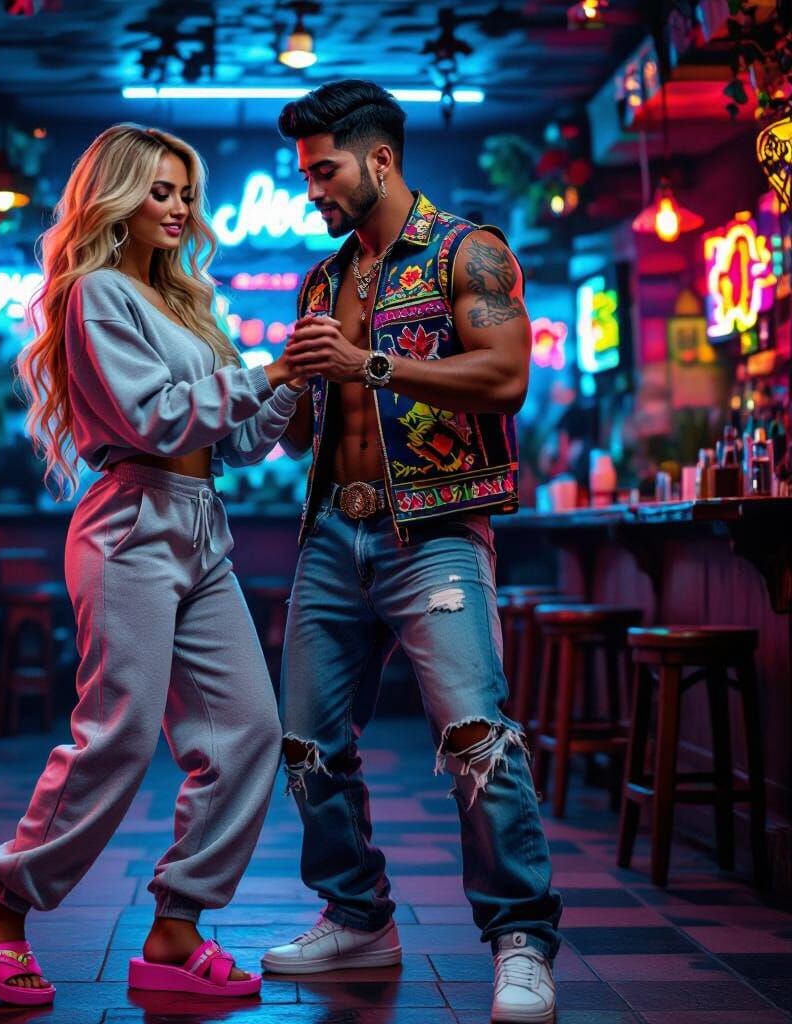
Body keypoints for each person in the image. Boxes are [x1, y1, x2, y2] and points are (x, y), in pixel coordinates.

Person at [0, 124, 306, 1006]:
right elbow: (153, 420)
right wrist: (269, 369)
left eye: (186, 192)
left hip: (202, 524)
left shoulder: (189, 307)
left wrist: (302, 376)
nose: (179, 208)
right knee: (122, 732)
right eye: (159, 191)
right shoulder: (98, 294)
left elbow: (245, 439)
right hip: (130, 523)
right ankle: (1, 912)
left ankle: (177, 932)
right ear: (117, 197)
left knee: (250, 729)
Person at [261, 81, 563, 1024]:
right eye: (305, 173)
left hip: (432, 529)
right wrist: (295, 381)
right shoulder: (322, 278)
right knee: (307, 745)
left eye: (324, 170)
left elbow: (507, 378)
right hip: (329, 531)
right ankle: (357, 916)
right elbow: (301, 431)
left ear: (378, 159)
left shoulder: (466, 252)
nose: (312, 189)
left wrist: (371, 364)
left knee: (476, 737)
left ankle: (520, 941)